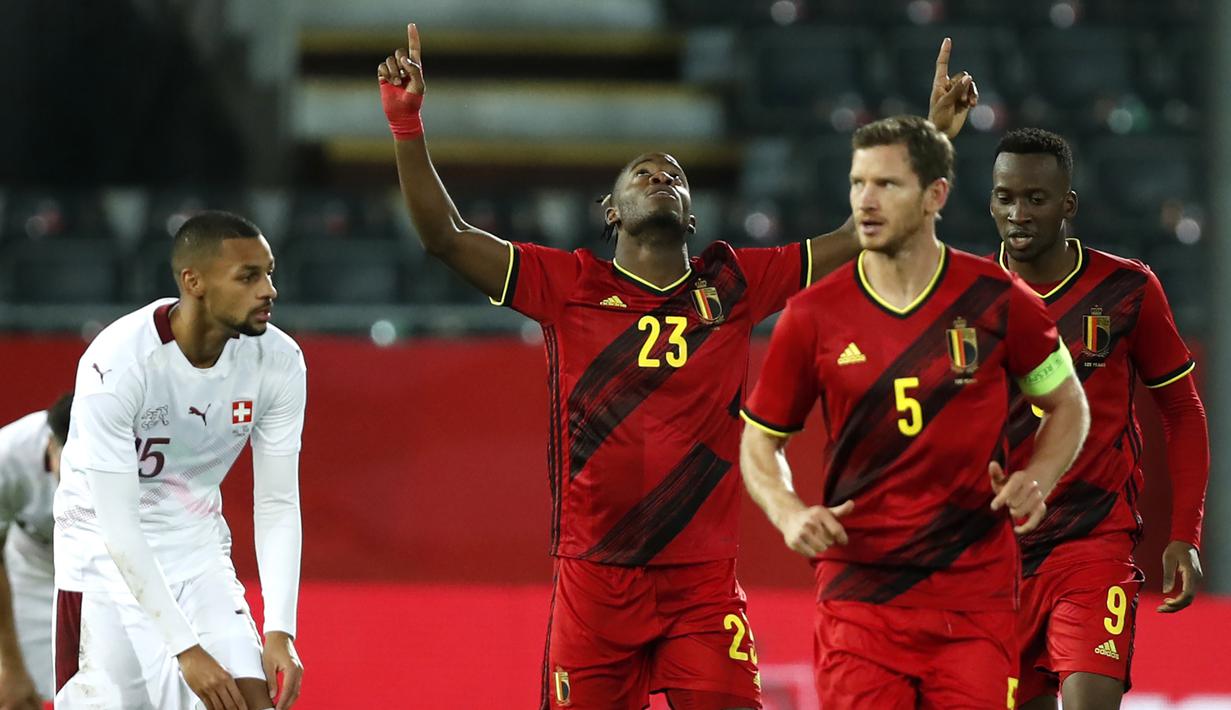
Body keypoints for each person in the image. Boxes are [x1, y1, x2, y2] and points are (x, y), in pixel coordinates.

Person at [372, 22, 982, 710]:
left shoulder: (734, 283)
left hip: (701, 587)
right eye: (643, 174)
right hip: (596, 586)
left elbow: (858, 238)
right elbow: (446, 237)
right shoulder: (565, 284)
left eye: (675, 177)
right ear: (611, 212)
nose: (660, 178)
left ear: (692, 218)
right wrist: (405, 124)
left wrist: (934, 138)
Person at [739, 115, 1090, 709]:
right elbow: (759, 441)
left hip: (973, 597)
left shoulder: (998, 299)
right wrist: (788, 511)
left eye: (887, 184)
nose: (866, 200)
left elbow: (1067, 404)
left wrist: (1039, 476)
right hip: (860, 597)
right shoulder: (812, 315)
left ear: (935, 196)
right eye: (858, 183)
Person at [983, 127, 1210, 710]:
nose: (1018, 213)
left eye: (1035, 199)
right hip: (998, 553)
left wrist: (1184, 534)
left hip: (1094, 542)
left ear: (1068, 205)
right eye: (1006, 197)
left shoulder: (1126, 289)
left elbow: (1182, 410)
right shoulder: (969, 297)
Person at [52, 211, 306, 710]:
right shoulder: (117, 363)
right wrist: (185, 649)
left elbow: (277, 501)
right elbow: (117, 522)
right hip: (102, 563)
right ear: (194, 282)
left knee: (248, 702)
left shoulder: (279, 362)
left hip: (196, 553)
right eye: (248, 277)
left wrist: (280, 627)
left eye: (269, 273)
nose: (269, 290)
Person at [0, 392, 72, 707]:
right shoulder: (8, 454)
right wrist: (10, 666)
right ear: (51, 445)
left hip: (110, 569)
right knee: (24, 690)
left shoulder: (136, 453)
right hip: (33, 571)